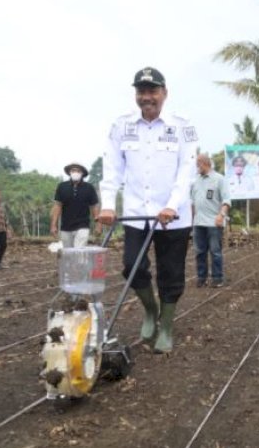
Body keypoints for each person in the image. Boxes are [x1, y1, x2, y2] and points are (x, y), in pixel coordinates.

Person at [99, 67, 198, 354]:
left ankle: (166, 325)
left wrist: (172, 204)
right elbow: (113, 168)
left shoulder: (182, 126)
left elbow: (187, 169)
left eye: (152, 91)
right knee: (132, 266)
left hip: (172, 216)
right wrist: (107, 205)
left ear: (164, 93)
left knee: (170, 273)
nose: (147, 97)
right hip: (136, 212)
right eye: (141, 92)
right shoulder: (122, 126)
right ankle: (150, 310)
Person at [192, 153, 231, 288]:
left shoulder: (219, 179)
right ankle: (201, 278)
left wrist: (221, 215)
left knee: (215, 251)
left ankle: (217, 278)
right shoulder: (195, 181)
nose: (197, 167)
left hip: (214, 222)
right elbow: (193, 202)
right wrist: (192, 220)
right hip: (198, 223)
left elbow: (226, 200)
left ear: (205, 163)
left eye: (198, 164)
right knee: (199, 252)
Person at [51, 162, 100, 248]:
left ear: (82, 173)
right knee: (68, 253)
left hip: (83, 226)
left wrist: (98, 225)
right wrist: (53, 225)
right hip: (65, 227)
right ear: (70, 172)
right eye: (73, 170)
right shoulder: (62, 187)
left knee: (79, 251)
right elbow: (57, 206)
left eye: (78, 171)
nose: (75, 172)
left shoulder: (89, 188)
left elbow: (94, 207)